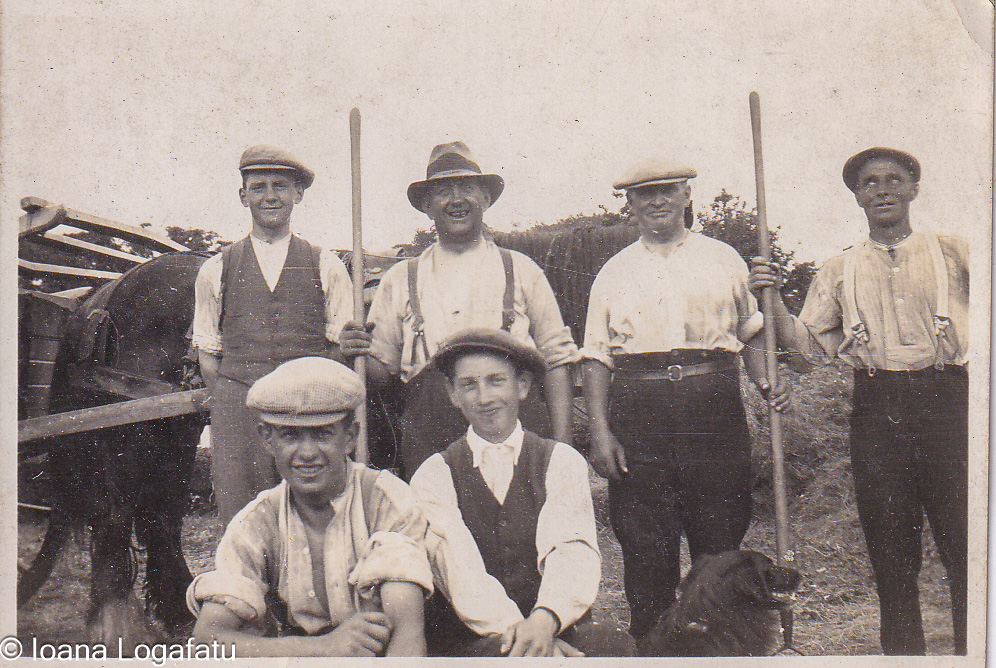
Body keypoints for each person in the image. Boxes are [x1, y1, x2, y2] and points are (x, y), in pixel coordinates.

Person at [748, 147, 968, 655]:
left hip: (950, 403)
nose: (883, 190)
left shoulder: (957, 254)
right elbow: (806, 352)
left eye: (894, 179)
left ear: (914, 189)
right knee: (892, 559)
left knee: (967, 550)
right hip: (878, 407)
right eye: (870, 183)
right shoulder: (839, 269)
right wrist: (772, 297)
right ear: (857, 197)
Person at [581, 158, 790, 647]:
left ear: (686, 195)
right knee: (645, 550)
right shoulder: (614, 271)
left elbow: (751, 333)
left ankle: (720, 649)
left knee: (719, 550)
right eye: (644, 193)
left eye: (668, 190)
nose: (657, 201)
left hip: (712, 410)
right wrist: (600, 431)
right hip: (640, 413)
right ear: (630, 203)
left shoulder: (723, 259)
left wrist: (767, 383)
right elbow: (596, 357)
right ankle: (653, 649)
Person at [341, 141, 579, 477]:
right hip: (432, 439)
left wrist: (564, 447)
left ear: (486, 198)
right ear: (427, 205)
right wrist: (354, 351)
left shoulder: (522, 270)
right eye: (443, 191)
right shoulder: (401, 278)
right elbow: (381, 373)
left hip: (518, 435)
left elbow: (556, 360)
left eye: (467, 188)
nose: (456, 199)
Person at [409, 329, 636, 657]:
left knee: (613, 646)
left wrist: (544, 622)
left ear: (523, 386)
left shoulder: (560, 460)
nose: (484, 398)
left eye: (496, 381)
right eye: (469, 385)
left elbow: (571, 551)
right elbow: (460, 572)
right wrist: (526, 640)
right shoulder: (434, 474)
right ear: (453, 394)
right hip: (480, 640)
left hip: (554, 627)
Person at [186, 357, 433, 657]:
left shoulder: (386, 501)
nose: (306, 453)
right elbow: (206, 641)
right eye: (290, 435)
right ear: (267, 439)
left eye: (322, 434)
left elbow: (407, 640)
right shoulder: (256, 523)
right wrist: (321, 647)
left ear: (350, 437)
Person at [192, 145, 353, 525]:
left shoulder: (326, 264)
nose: (270, 196)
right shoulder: (216, 268)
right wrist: (237, 402)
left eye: (280, 185)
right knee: (244, 518)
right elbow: (208, 356)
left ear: (298, 194)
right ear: (243, 195)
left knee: (314, 515)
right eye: (258, 187)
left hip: (309, 412)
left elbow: (339, 349)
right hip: (240, 411)